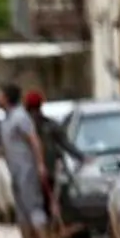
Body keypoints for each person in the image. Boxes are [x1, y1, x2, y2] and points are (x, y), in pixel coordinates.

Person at [0, 83, 52, 238]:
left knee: (33, 206)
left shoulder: (21, 117)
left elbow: (34, 140)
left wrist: (40, 164)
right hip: (13, 170)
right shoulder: (6, 119)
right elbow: (6, 145)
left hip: (26, 169)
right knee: (21, 210)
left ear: (6, 97)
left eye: (0, 95)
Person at [24, 90, 87, 224]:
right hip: (30, 173)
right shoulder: (26, 127)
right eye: (32, 109)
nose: (34, 113)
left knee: (48, 203)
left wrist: (81, 157)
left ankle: (49, 229)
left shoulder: (50, 126)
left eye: (36, 109)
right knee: (35, 206)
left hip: (47, 172)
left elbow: (65, 143)